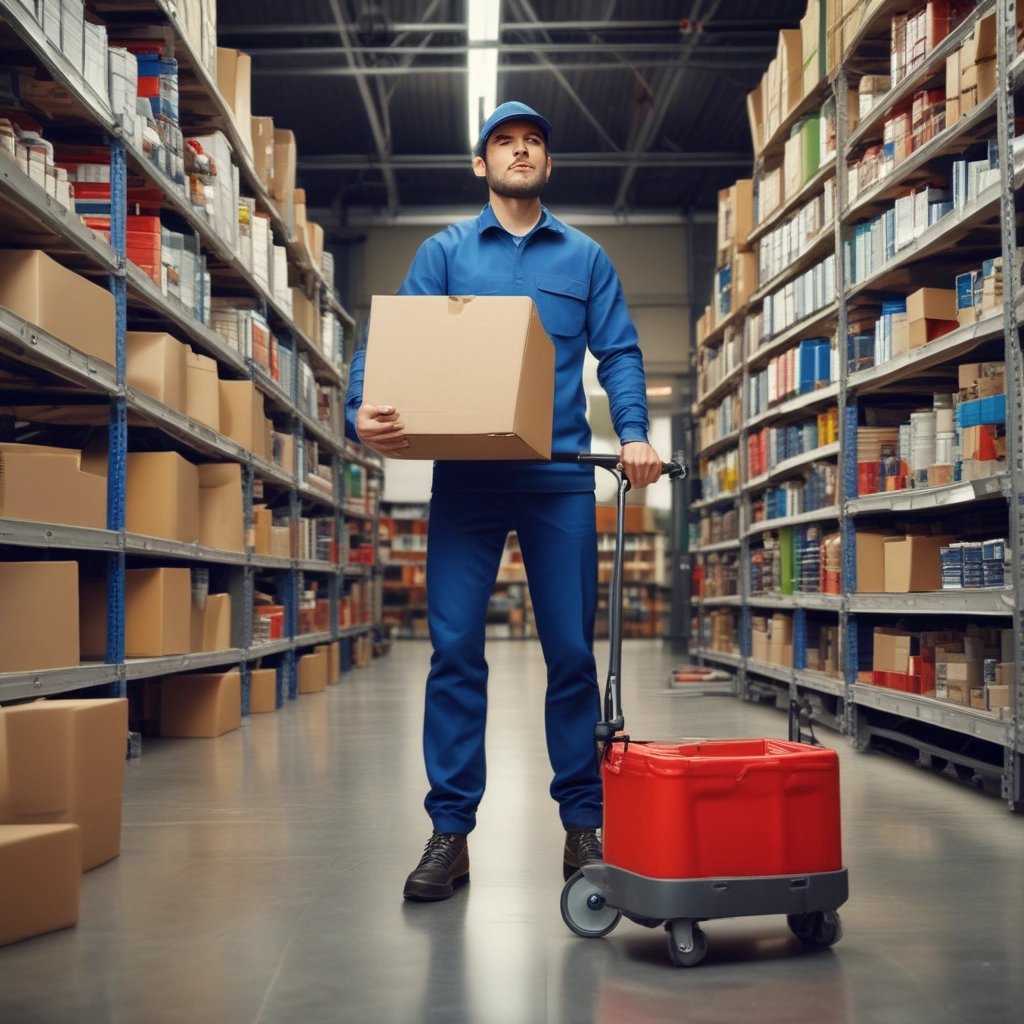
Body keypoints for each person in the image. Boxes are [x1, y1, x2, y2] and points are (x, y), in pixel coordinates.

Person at [345, 100, 664, 902]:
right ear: (480, 164)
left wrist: (633, 432)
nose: (521, 152)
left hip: (558, 477)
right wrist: (364, 405)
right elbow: (391, 342)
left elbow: (620, 352)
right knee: (454, 652)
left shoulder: (585, 257)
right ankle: (450, 833)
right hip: (468, 478)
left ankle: (582, 825)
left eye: (533, 143)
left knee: (569, 655)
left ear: (547, 164)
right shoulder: (446, 252)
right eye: (505, 142)